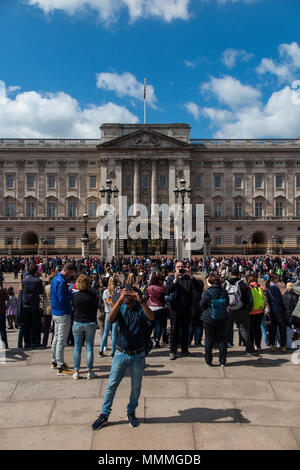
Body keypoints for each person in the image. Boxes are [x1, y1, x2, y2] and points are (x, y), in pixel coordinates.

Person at [92, 288, 154, 430]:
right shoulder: (122, 308)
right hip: (121, 352)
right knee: (111, 385)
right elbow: (110, 318)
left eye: (129, 296)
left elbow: (151, 317)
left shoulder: (140, 309)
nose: (126, 298)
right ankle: (104, 414)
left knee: (136, 386)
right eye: (124, 295)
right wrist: (119, 300)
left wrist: (142, 301)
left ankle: (131, 412)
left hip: (138, 354)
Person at [165, 261, 203, 360]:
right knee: (174, 330)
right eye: (178, 266)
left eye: (182, 266)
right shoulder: (171, 278)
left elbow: (198, 289)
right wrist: (175, 279)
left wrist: (191, 276)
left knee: (186, 330)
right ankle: (173, 350)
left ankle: (184, 349)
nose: (180, 268)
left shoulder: (188, 279)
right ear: (175, 268)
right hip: (175, 308)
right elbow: (167, 290)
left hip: (186, 308)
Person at [51, 262, 76, 375]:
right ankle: (60, 365)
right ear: (68, 270)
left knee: (56, 338)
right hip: (63, 312)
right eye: (72, 273)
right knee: (61, 339)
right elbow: (62, 298)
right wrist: (72, 295)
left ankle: (54, 360)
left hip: (56, 312)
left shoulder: (55, 279)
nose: (72, 275)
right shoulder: (62, 281)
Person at [225, 268, 256, 356]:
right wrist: (248, 309)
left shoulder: (226, 283)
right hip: (242, 310)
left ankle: (223, 348)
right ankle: (249, 349)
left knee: (226, 330)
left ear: (231, 273)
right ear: (239, 274)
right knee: (244, 330)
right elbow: (249, 299)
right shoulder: (243, 284)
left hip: (229, 309)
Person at [72, 274, 98, 380]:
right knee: (89, 347)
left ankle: (76, 371)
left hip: (78, 321)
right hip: (90, 322)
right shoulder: (93, 295)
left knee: (77, 348)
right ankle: (90, 371)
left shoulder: (75, 296)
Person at [200, 274, 229, 367]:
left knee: (209, 340)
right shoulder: (224, 292)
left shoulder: (207, 292)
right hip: (222, 317)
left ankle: (208, 360)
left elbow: (202, 304)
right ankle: (222, 360)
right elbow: (227, 303)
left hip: (209, 317)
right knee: (222, 340)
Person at [21, 264, 44, 349]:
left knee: (26, 325)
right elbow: (41, 291)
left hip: (26, 304)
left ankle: (27, 342)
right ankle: (35, 341)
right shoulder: (37, 281)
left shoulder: (24, 280)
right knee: (35, 324)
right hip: (34, 304)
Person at [266, 273, 287, 352]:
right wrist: (284, 309)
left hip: (272, 310)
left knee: (272, 329)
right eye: (277, 278)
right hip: (278, 310)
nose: (278, 279)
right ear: (273, 279)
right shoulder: (275, 288)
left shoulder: (268, 288)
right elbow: (280, 300)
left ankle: (272, 345)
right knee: (282, 328)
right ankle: (283, 345)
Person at [99, 277, 119, 358]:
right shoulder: (117, 294)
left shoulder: (105, 292)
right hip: (115, 313)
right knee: (114, 334)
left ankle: (101, 350)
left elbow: (104, 301)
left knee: (105, 333)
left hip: (107, 312)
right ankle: (113, 352)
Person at [146, 274, 166, 348]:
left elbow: (146, 297)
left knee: (150, 324)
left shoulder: (149, 288)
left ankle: (147, 339)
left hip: (150, 307)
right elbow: (164, 298)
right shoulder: (162, 288)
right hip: (159, 307)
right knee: (158, 325)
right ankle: (157, 340)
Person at [248, 275, 266, 352]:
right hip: (260, 310)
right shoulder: (260, 287)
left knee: (251, 329)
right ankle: (258, 345)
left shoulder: (249, 287)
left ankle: (251, 345)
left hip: (251, 311)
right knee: (258, 329)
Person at [41, 273, 56, 348]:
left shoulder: (46, 287)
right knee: (55, 328)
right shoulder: (56, 287)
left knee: (46, 327)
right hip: (55, 308)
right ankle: (53, 341)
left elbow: (43, 296)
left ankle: (44, 342)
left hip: (47, 308)